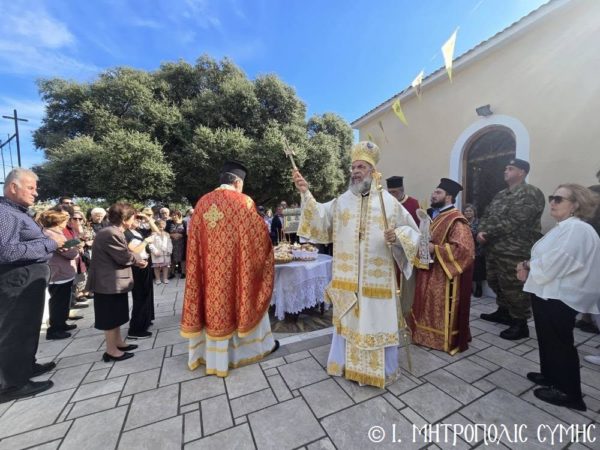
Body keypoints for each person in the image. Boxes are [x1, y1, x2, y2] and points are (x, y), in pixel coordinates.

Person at [292, 141, 420, 388]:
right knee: (349, 323)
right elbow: (320, 219)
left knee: (377, 322)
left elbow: (413, 233)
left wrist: (397, 236)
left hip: (376, 283)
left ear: (373, 171)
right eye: (353, 167)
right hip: (348, 282)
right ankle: (346, 365)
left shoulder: (389, 202)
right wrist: (306, 193)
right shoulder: (342, 201)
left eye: (361, 167)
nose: (355, 171)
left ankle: (380, 371)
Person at [181, 161, 277, 377]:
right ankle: (238, 354)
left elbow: (193, 243)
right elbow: (259, 238)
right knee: (239, 299)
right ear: (238, 182)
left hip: (207, 274)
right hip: (233, 272)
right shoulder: (243, 202)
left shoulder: (202, 202)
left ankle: (207, 356)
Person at [517, 184, 600, 412]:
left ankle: (569, 393)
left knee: (560, 342)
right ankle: (550, 376)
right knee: (548, 338)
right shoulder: (564, 227)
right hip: (549, 292)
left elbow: (558, 262)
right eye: (552, 197)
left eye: (559, 199)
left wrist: (526, 265)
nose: (552, 202)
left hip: (561, 295)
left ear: (576, 205)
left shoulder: (577, 229)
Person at [0, 168, 66, 402]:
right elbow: (6, 251)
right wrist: (49, 244)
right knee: (16, 327)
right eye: (31, 188)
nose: (36, 193)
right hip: (17, 278)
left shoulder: (17, 212)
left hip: (27, 277)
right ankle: (11, 384)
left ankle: (25, 366)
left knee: (28, 326)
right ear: (13, 187)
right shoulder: (5, 214)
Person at [477, 159, 545, 340]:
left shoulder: (530, 193)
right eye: (506, 168)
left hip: (515, 250)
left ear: (522, 172)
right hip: (494, 248)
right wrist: (480, 230)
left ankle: (520, 324)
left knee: (514, 287)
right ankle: (504, 312)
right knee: (495, 281)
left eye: (510, 168)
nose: (505, 171)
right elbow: (486, 214)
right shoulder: (501, 194)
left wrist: (487, 233)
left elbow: (517, 220)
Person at [409, 179, 475, 354]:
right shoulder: (438, 215)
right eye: (434, 191)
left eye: (438, 192)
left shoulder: (457, 220)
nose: (433, 195)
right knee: (425, 304)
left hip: (444, 276)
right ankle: (423, 334)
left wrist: (435, 249)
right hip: (430, 270)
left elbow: (464, 250)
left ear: (449, 197)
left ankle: (441, 339)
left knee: (438, 307)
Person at [86, 203, 146, 362]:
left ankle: (118, 343)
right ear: (125, 219)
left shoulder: (113, 231)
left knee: (117, 315)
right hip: (107, 283)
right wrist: (139, 260)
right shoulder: (111, 233)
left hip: (113, 282)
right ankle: (111, 351)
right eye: (133, 217)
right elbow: (124, 257)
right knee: (110, 317)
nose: (135, 220)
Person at [40, 209, 80, 340]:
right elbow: (69, 253)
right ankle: (55, 329)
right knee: (58, 302)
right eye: (64, 220)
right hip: (59, 273)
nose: (66, 222)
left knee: (63, 301)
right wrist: (76, 248)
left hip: (62, 272)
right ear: (57, 222)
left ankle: (61, 323)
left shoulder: (52, 232)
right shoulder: (53, 235)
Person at [125, 212, 159, 339]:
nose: (139, 220)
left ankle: (146, 320)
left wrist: (148, 219)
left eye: (140, 219)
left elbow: (156, 232)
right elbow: (134, 250)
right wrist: (145, 242)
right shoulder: (126, 233)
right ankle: (136, 329)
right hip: (136, 266)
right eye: (136, 218)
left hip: (145, 263)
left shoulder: (138, 231)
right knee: (140, 296)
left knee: (147, 293)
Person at [463, 204, 485, 298]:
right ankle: (469, 288)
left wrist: (470, 230)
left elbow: (480, 235)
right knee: (467, 269)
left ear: (474, 212)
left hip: (477, 249)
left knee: (477, 269)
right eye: (466, 211)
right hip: (465, 249)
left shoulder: (479, 222)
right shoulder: (462, 222)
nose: (468, 212)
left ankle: (479, 288)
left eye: (470, 211)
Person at [149, 219, 173, 284]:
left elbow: (169, 243)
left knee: (165, 266)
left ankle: (165, 278)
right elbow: (150, 244)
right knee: (156, 267)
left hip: (166, 253)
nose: (161, 228)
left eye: (163, 226)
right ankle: (157, 279)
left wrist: (169, 250)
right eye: (159, 227)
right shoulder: (153, 234)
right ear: (156, 226)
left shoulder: (167, 234)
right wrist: (155, 251)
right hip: (157, 253)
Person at [167, 210, 186, 279]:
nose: (174, 216)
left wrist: (181, 235)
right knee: (172, 257)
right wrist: (171, 235)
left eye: (175, 215)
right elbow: (165, 231)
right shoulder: (168, 222)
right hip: (171, 242)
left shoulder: (184, 222)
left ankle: (183, 273)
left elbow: (186, 232)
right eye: (172, 215)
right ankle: (172, 273)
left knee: (182, 258)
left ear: (179, 215)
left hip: (181, 243)